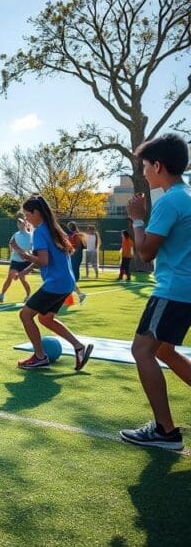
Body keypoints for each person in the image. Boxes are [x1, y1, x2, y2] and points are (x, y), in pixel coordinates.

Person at [119, 134, 191, 451]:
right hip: (185, 289)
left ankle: (165, 431)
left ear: (158, 165)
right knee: (163, 351)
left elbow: (145, 254)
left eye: (145, 167)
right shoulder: (185, 196)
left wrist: (136, 219)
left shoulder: (169, 202)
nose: (143, 172)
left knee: (142, 351)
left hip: (173, 290)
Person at [15, 196, 94, 370]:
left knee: (25, 315)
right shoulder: (54, 229)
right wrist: (26, 270)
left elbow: (43, 260)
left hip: (55, 283)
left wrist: (23, 253)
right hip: (66, 283)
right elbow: (49, 258)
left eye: (27, 215)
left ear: (36, 213)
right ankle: (79, 347)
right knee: (45, 318)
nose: (26, 219)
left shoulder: (40, 231)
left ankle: (40, 357)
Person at [0, 217, 33, 304]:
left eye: (21, 223)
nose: (19, 225)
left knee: (22, 279)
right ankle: (2, 295)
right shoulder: (16, 235)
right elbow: (11, 244)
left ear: (26, 224)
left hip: (25, 261)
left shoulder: (31, 235)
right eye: (18, 223)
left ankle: (28, 296)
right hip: (15, 260)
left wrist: (27, 254)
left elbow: (32, 248)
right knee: (10, 277)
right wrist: (13, 252)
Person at [67, 222, 87, 303]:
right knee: (70, 276)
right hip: (72, 255)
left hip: (75, 255)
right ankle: (80, 294)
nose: (69, 228)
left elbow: (78, 247)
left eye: (70, 227)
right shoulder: (73, 235)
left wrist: (71, 253)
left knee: (71, 276)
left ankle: (79, 294)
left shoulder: (77, 235)